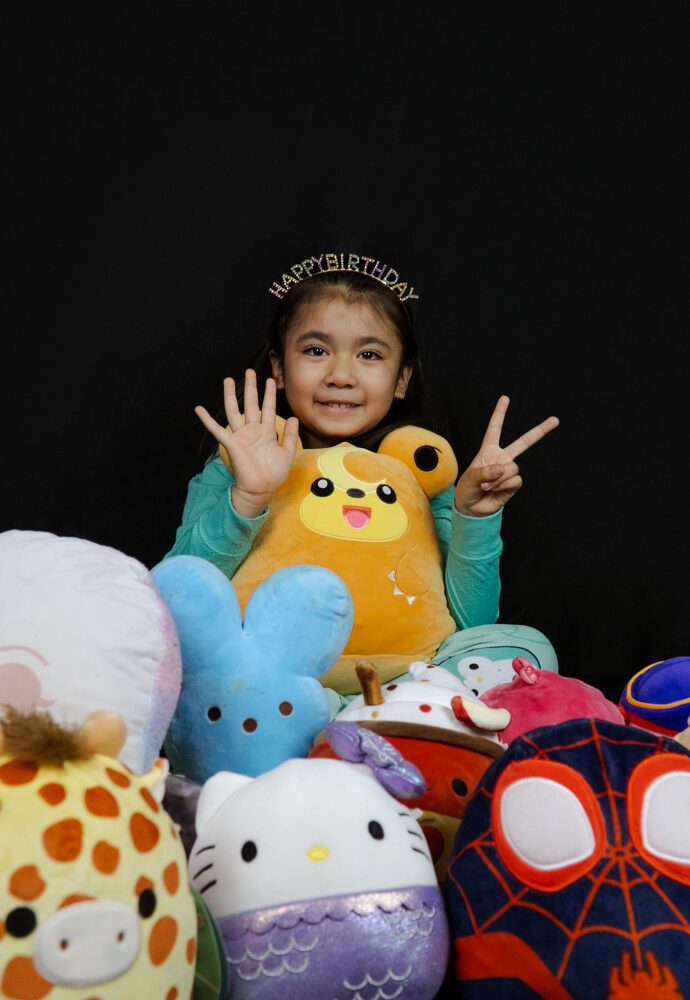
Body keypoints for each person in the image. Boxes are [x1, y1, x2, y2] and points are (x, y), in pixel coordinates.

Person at [165, 255, 559, 705]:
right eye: (316, 351)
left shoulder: (420, 478)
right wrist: (247, 498)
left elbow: (472, 624)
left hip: (402, 688)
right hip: (272, 687)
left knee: (526, 650)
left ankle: (383, 722)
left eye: (369, 355)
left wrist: (473, 518)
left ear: (402, 378)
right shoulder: (235, 465)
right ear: (279, 366)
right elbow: (176, 598)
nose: (340, 376)